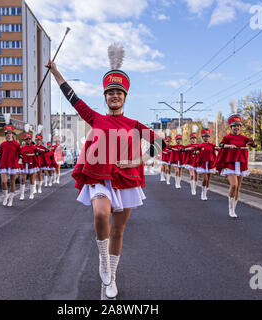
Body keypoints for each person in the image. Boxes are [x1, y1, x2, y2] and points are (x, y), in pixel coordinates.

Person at [46, 49, 164, 299]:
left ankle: (111, 278)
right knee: (100, 214)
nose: (114, 96)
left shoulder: (134, 125)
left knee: (118, 232)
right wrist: (56, 72)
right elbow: (72, 98)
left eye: (118, 93)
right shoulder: (95, 118)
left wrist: (136, 160)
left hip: (126, 180)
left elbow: (160, 143)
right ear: (105, 97)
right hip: (100, 178)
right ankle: (103, 260)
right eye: (110, 93)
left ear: (124, 98)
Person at [215, 114, 256, 218]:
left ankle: (234, 209)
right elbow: (220, 145)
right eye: (234, 126)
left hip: (240, 164)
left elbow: (253, 144)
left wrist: (253, 143)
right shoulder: (227, 137)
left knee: (238, 188)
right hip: (230, 164)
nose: (236, 127)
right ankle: (230, 209)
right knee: (233, 185)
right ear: (231, 127)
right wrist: (229, 146)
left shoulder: (243, 137)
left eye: (238, 125)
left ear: (240, 127)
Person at [0, 125, 21, 207]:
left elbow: (20, 153)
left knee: (12, 182)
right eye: (7, 134)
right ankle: (5, 196)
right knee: (4, 182)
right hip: (4, 164)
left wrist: (20, 160)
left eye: (10, 133)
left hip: (13, 164)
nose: (8, 135)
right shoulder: (3, 144)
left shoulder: (16, 144)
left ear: (12, 134)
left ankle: (11, 199)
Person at [194, 128, 217, 201]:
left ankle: (205, 193)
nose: (206, 137)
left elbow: (217, 148)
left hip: (210, 163)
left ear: (209, 137)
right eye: (204, 136)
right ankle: (203, 193)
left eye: (207, 136)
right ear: (202, 137)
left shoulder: (212, 145)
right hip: (203, 164)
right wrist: (197, 152)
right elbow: (194, 152)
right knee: (205, 179)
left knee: (208, 180)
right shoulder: (200, 145)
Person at [19, 133, 40, 200]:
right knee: (23, 179)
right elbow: (19, 155)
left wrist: (32, 155)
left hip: (33, 164)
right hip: (25, 165)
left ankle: (31, 194)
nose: (28, 140)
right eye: (26, 139)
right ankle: (22, 194)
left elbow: (39, 154)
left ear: (31, 140)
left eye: (29, 139)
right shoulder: (22, 148)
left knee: (32, 180)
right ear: (25, 140)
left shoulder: (34, 147)